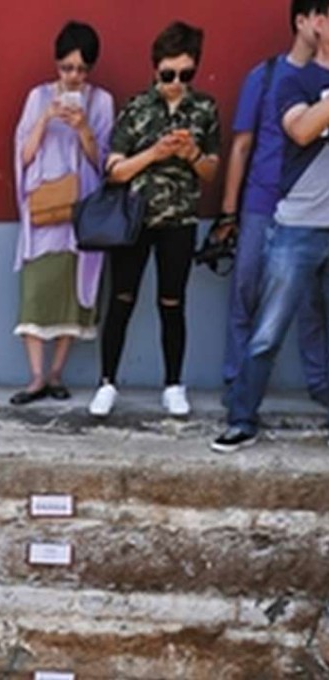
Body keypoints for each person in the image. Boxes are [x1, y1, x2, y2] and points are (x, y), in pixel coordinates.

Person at [88, 21, 221, 418]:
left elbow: (212, 171)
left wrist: (193, 154)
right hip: (133, 220)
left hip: (179, 221)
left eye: (185, 74)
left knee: (172, 303)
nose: (176, 82)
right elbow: (113, 170)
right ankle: (107, 382)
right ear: (154, 68)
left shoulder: (205, 109)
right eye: (168, 74)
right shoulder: (136, 108)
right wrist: (155, 154)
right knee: (122, 300)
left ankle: (173, 384)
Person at [213, 0, 329, 452]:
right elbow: (300, 131)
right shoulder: (290, 79)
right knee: (267, 330)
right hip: (298, 226)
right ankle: (241, 417)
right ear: (315, 24)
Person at [10, 21, 113, 405]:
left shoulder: (101, 102)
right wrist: (46, 119)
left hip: (81, 213)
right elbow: (22, 155)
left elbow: (103, 163)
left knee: (74, 294)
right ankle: (35, 376)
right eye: (67, 68)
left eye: (82, 70)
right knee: (35, 292)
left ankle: (56, 374)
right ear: (56, 64)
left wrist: (84, 127)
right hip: (42, 211)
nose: (74, 77)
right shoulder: (37, 97)